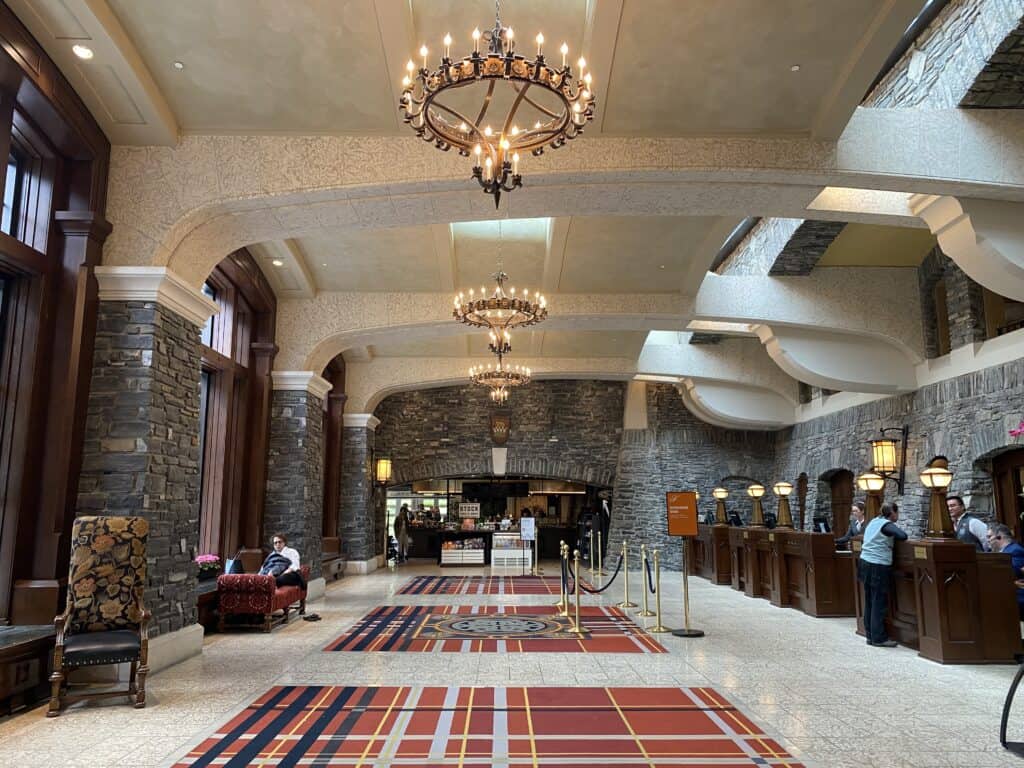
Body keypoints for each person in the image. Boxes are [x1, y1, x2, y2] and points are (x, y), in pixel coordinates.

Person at [858, 501, 908, 648]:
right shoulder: (886, 524)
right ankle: (879, 638)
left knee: (869, 600)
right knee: (878, 602)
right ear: (892, 513)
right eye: (896, 512)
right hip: (878, 565)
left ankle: (870, 635)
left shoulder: (873, 521)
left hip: (864, 562)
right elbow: (902, 536)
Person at [988, 523, 1024, 620]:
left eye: (989, 536)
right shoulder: (1004, 552)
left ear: (999, 537)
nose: (988, 540)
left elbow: (1012, 572)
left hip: (1017, 596)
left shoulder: (1015, 550)